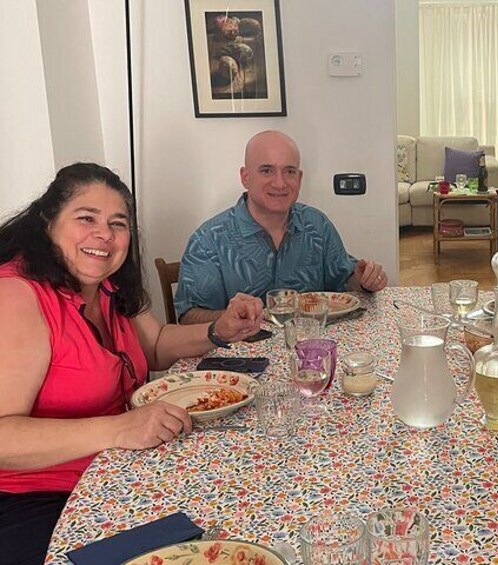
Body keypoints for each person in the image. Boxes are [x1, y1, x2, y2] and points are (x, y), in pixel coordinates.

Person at [0, 163, 263, 564]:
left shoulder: (110, 283)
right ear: (48, 222)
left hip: (114, 473)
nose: (104, 235)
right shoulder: (17, 297)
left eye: (117, 223)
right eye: (86, 218)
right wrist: (119, 428)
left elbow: (154, 345)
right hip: (35, 499)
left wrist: (219, 330)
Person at [176, 130, 388, 324]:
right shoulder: (208, 240)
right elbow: (188, 317)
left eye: (289, 172)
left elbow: (343, 283)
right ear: (245, 177)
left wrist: (363, 280)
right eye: (267, 171)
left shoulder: (317, 225)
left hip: (313, 353)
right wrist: (235, 317)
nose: (280, 183)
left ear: (300, 178)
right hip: (239, 361)